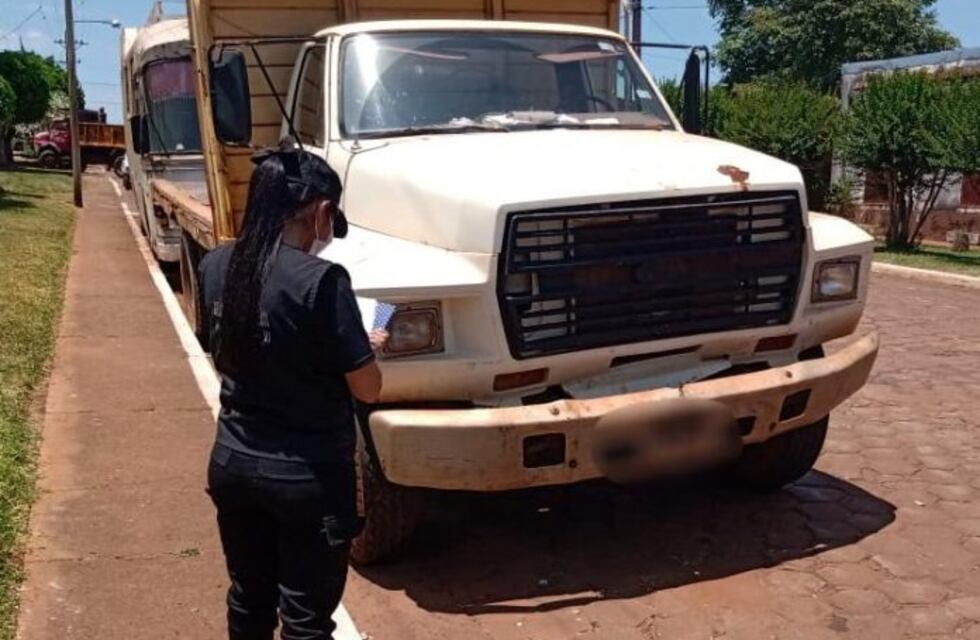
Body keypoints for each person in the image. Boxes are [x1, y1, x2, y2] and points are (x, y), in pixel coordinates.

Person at [197, 143, 384, 640]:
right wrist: (364, 348)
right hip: (306, 478)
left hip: (233, 462)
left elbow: (223, 353)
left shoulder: (216, 264)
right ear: (321, 212)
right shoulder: (323, 280)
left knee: (248, 600)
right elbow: (367, 389)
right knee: (305, 621)